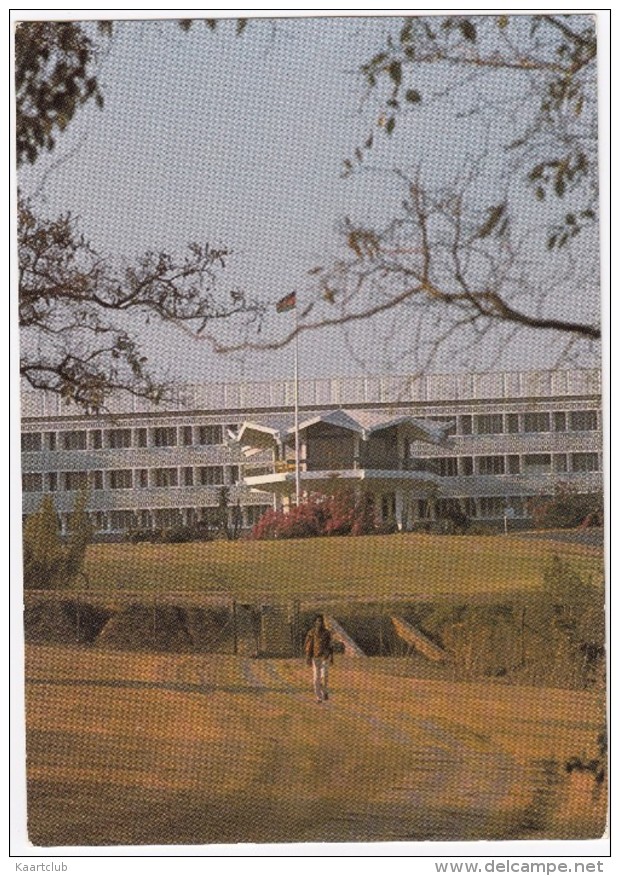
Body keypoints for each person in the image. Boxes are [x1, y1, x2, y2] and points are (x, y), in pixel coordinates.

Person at [304, 614, 334, 703]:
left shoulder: (327, 633)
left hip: (325, 657)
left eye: (320, 621)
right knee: (316, 679)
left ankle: (324, 691)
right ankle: (319, 697)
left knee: (324, 676)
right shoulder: (311, 633)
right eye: (317, 621)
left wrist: (331, 657)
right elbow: (308, 646)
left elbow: (330, 645)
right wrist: (308, 657)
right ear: (315, 622)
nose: (319, 623)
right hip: (315, 657)